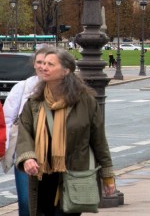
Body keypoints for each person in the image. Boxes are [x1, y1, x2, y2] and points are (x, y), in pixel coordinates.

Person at [16, 47, 115, 216]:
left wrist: (107, 175)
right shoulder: (34, 102)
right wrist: (27, 157)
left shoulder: (85, 102)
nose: (43, 67)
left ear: (65, 70)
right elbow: (24, 132)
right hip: (41, 177)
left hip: (73, 175)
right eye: (43, 63)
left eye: (50, 64)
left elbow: (99, 140)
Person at [5, 48, 47, 216]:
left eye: (48, 63)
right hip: (25, 151)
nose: (43, 67)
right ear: (33, 64)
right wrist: (8, 149)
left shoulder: (63, 89)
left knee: (50, 202)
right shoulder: (22, 87)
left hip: (53, 154)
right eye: (39, 62)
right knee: (26, 202)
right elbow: (8, 119)